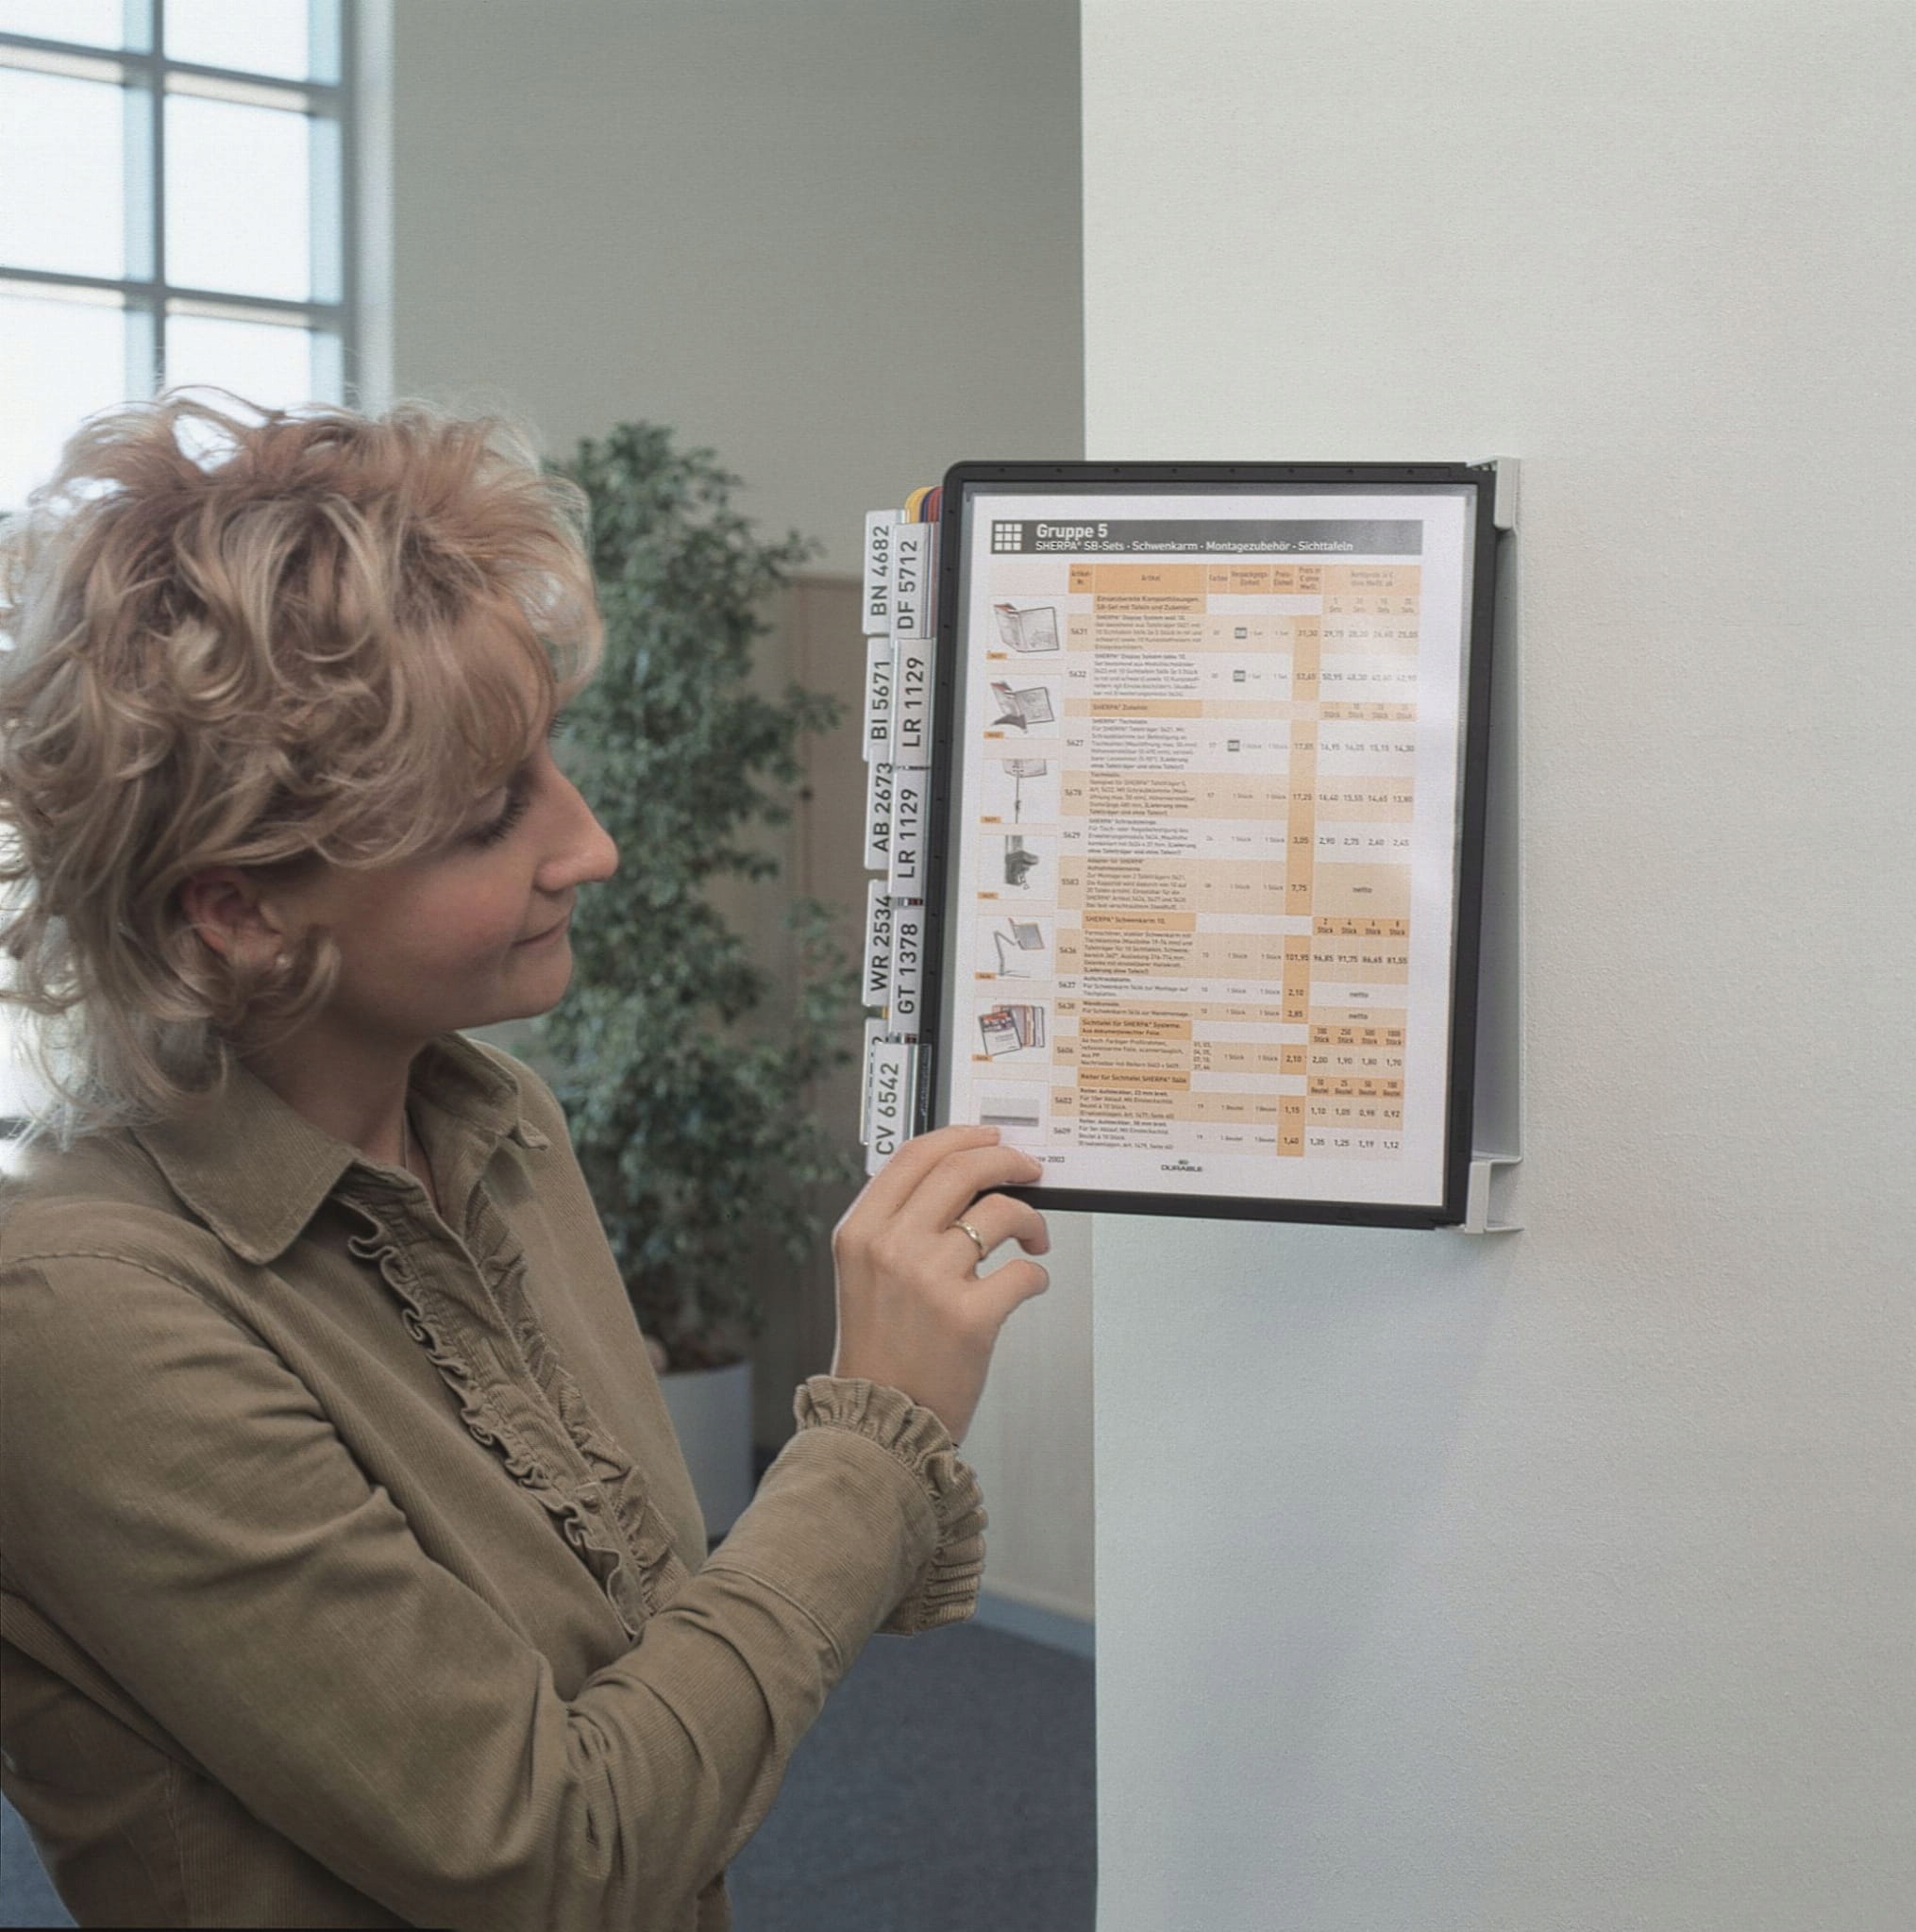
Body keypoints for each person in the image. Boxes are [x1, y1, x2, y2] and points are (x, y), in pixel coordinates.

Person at [0, 392, 1050, 1931]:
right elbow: (556, 1854)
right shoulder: (75, 1316)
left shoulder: (492, 1122)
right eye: (489, 816)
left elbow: (649, 1630)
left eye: (551, 760)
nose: (590, 845)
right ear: (238, 909)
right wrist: (873, 1434)